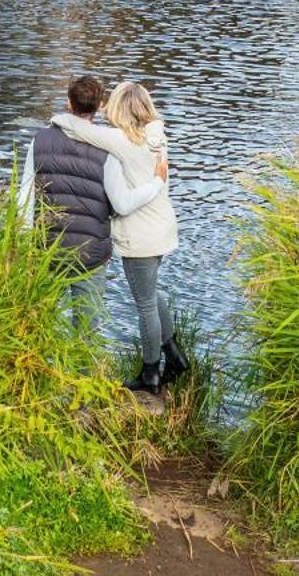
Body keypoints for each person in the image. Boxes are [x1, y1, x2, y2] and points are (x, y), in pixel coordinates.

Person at [15, 75, 166, 358]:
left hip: (46, 248)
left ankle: (39, 379)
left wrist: (24, 241)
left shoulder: (40, 140)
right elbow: (121, 203)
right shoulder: (107, 149)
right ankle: (83, 393)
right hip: (90, 254)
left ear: (68, 102)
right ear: (98, 106)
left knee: (40, 320)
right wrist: (156, 183)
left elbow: (25, 196)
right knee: (86, 330)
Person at [96, 80, 187, 392]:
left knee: (144, 303)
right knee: (151, 293)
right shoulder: (157, 138)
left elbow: (121, 203)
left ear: (119, 109)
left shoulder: (121, 148)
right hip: (161, 229)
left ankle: (151, 373)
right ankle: (174, 354)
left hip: (140, 236)